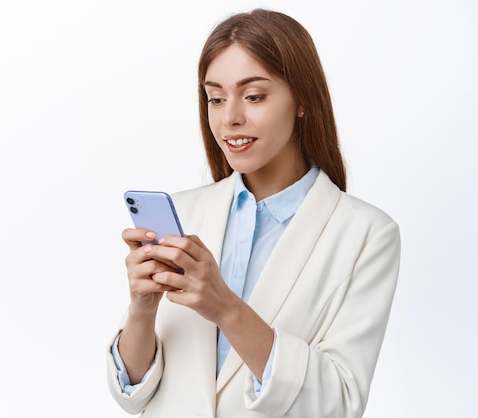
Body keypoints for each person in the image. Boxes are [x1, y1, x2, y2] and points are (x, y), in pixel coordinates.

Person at [106, 8, 400, 418]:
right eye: (215, 98)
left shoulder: (366, 234)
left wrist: (226, 308)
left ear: (302, 100)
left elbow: (339, 404)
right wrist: (142, 308)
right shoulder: (185, 211)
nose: (230, 119)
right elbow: (131, 393)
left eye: (254, 96)